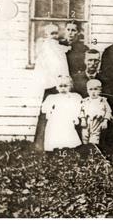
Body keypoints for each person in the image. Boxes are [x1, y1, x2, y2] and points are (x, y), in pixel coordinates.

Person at [33, 24, 71, 152]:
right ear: (46, 35)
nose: (54, 36)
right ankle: (41, 145)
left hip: (60, 84)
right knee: (47, 114)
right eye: (51, 34)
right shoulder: (46, 48)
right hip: (50, 85)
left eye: (56, 33)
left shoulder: (58, 47)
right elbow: (44, 68)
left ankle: (59, 143)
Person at [40, 75, 82, 151]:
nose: (63, 88)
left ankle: (68, 151)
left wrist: (75, 117)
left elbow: (78, 107)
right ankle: (55, 151)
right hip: (56, 119)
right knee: (55, 133)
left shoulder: (74, 97)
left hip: (68, 119)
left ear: (70, 86)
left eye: (65, 86)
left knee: (68, 134)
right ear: (57, 87)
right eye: (60, 86)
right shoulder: (53, 97)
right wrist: (49, 112)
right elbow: (44, 108)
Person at [79, 79, 113, 145]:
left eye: (95, 89)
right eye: (90, 89)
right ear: (87, 90)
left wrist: (105, 121)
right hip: (87, 122)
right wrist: (83, 119)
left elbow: (108, 111)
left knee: (94, 138)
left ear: (100, 90)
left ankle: (93, 150)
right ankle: (86, 150)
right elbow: (81, 111)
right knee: (85, 137)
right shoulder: (85, 101)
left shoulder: (102, 100)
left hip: (97, 122)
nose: (93, 92)